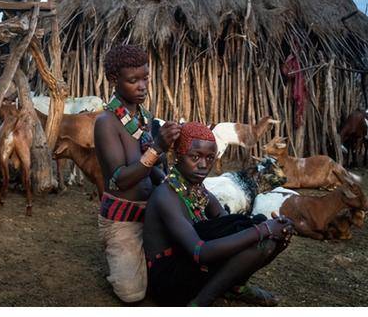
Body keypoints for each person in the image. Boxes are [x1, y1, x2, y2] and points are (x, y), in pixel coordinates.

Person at [143, 122, 294, 306]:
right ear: (177, 156)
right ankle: (199, 303)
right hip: (168, 282)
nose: (204, 165)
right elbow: (200, 252)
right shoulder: (166, 196)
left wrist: (275, 227)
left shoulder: (198, 189)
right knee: (258, 234)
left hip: (187, 264)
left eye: (210, 157)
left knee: (261, 231)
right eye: (195, 157)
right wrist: (262, 230)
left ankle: (237, 287)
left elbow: (229, 223)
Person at [94, 44, 182, 303]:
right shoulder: (106, 123)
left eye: (145, 78)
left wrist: (168, 181)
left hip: (152, 213)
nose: (142, 86)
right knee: (132, 295)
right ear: (114, 80)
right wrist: (157, 148)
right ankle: (122, 254)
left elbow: (152, 170)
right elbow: (119, 180)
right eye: (133, 80)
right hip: (122, 219)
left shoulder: (144, 119)